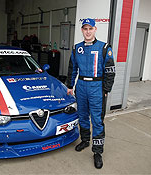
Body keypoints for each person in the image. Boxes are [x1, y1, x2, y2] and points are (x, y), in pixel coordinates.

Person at [66, 18, 115, 169]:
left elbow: (110, 71)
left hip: (96, 87)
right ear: (82, 30)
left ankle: (97, 152)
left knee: (97, 120)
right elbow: (72, 68)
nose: (88, 31)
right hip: (81, 86)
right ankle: (85, 140)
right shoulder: (76, 48)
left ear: (95, 30)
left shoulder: (104, 48)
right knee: (82, 116)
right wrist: (70, 86)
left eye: (90, 29)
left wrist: (106, 90)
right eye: (85, 29)